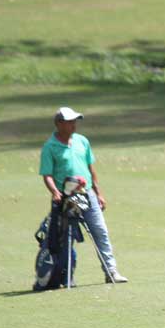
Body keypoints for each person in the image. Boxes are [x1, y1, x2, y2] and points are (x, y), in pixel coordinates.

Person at [39, 106, 128, 283]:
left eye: (75, 121)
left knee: (100, 231)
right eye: (69, 122)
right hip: (65, 198)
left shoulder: (82, 141)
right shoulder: (50, 147)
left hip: (86, 194)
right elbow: (47, 174)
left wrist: (98, 193)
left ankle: (111, 271)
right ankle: (62, 275)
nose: (74, 125)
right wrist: (55, 192)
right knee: (65, 238)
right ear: (59, 124)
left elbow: (90, 169)